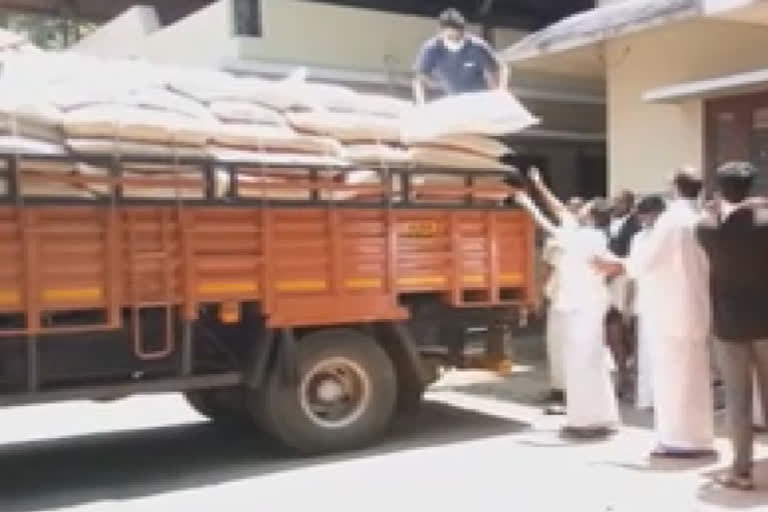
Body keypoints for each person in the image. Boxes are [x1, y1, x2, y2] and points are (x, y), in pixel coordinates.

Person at [593, 169, 714, 458]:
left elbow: (648, 259)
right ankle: (700, 437)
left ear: (674, 188)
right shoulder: (703, 218)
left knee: (672, 377)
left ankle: (678, 440)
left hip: (671, 309)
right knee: (696, 377)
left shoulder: (671, 221)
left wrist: (619, 265)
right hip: (697, 307)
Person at [517, 170, 619, 438]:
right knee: (590, 363)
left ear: (591, 215)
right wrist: (539, 186)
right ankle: (600, 416)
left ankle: (585, 421)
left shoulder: (585, 237)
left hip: (580, 309)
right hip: (587, 306)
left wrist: (528, 205)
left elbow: (552, 226)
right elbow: (560, 211)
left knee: (581, 364)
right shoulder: (592, 236)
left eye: (583, 209)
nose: (578, 210)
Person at [697, 161, 768, 491]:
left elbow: (708, 216)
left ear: (720, 190)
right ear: (752, 188)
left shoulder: (708, 228)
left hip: (728, 322)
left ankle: (740, 470)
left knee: (738, 401)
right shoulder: (764, 221)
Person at [412, 8, 508, 105]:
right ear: (441, 32)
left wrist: (501, 92)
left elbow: (501, 67)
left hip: (479, 98)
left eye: (459, 36)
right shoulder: (432, 49)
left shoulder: (477, 46)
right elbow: (419, 80)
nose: (455, 40)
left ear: (463, 31)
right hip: (452, 98)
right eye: (450, 37)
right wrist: (421, 104)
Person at [542, 197, 585, 411]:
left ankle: (572, 391)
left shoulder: (582, 237)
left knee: (571, 346)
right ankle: (558, 388)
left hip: (576, 300)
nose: (569, 211)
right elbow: (548, 268)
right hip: (558, 296)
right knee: (555, 344)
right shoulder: (560, 238)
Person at [627, 195, 666, 410]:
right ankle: (647, 397)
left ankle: (661, 397)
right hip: (646, 298)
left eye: (647, 213)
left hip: (664, 299)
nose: (644, 218)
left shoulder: (666, 237)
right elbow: (633, 272)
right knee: (646, 350)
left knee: (663, 352)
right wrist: (630, 303)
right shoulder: (638, 238)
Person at [606, 191, 641, 398]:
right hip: (611, 284)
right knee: (614, 333)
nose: (615, 205)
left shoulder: (634, 226)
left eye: (619, 201)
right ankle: (622, 378)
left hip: (626, 283)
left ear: (629, 204)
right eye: (615, 201)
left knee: (626, 332)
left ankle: (628, 379)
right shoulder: (609, 224)